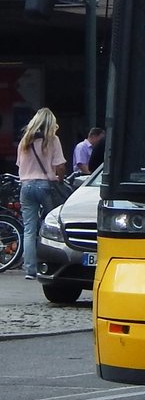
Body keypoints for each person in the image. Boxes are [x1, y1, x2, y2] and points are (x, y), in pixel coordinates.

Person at [16, 107, 67, 280]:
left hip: (26, 186)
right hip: (46, 186)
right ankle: (50, 264)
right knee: (51, 225)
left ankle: (29, 269)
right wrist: (60, 178)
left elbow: (19, 165)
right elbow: (59, 166)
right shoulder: (53, 139)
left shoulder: (25, 141)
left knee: (29, 229)